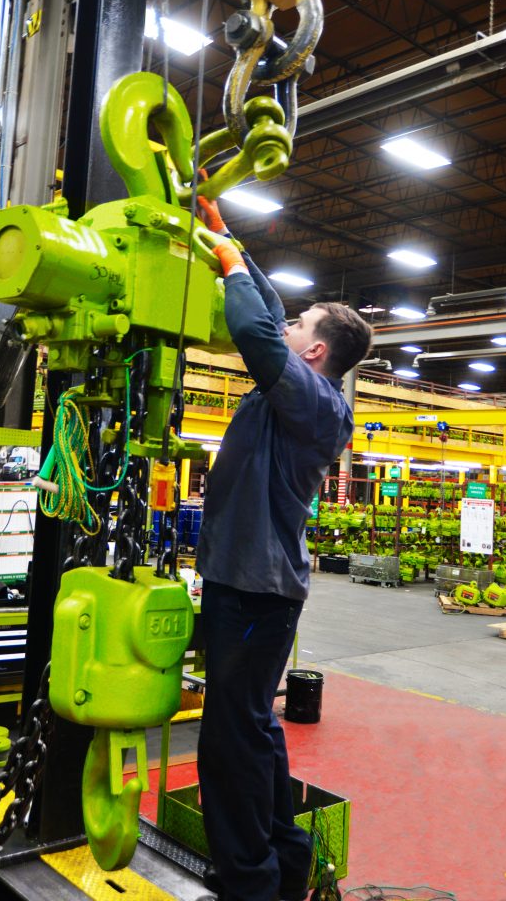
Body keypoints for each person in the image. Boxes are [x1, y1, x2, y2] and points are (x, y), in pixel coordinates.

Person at [194, 193, 372, 901]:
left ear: (318, 351)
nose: (289, 326)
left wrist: (232, 268)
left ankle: (247, 882)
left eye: (301, 326)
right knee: (253, 728)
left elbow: (255, 328)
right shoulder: (300, 389)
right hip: (252, 586)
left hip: (253, 589)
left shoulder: (317, 402)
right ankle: (285, 861)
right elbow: (268, 307)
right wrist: (219, 226)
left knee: (227, 742)